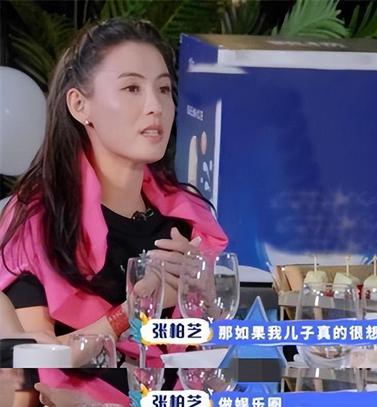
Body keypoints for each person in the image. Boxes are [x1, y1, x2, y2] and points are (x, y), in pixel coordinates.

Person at [0, 18, 228, 405]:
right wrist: (133, 311)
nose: (155, 106)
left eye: (164, 89)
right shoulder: (41, 223)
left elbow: (217, 363)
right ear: (79, 105)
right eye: (132, 88)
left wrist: (206, 303)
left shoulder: (188, 219)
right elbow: (31, 372)